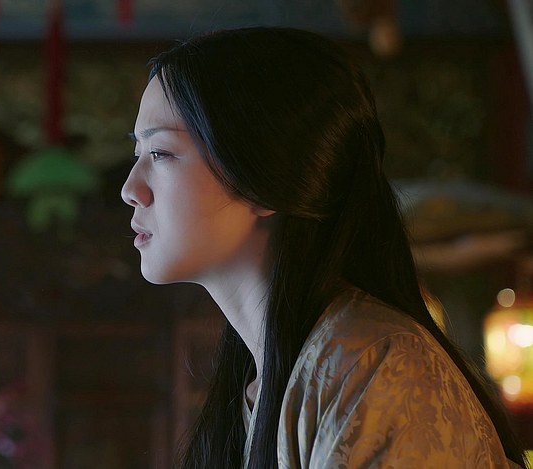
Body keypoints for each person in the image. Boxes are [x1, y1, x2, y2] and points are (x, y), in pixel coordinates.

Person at [120, 27, 528, 469]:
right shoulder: (272, 385)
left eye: (160, 153)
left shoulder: (373, 365)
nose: (130, 189)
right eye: (138, 152)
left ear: (264, 176)